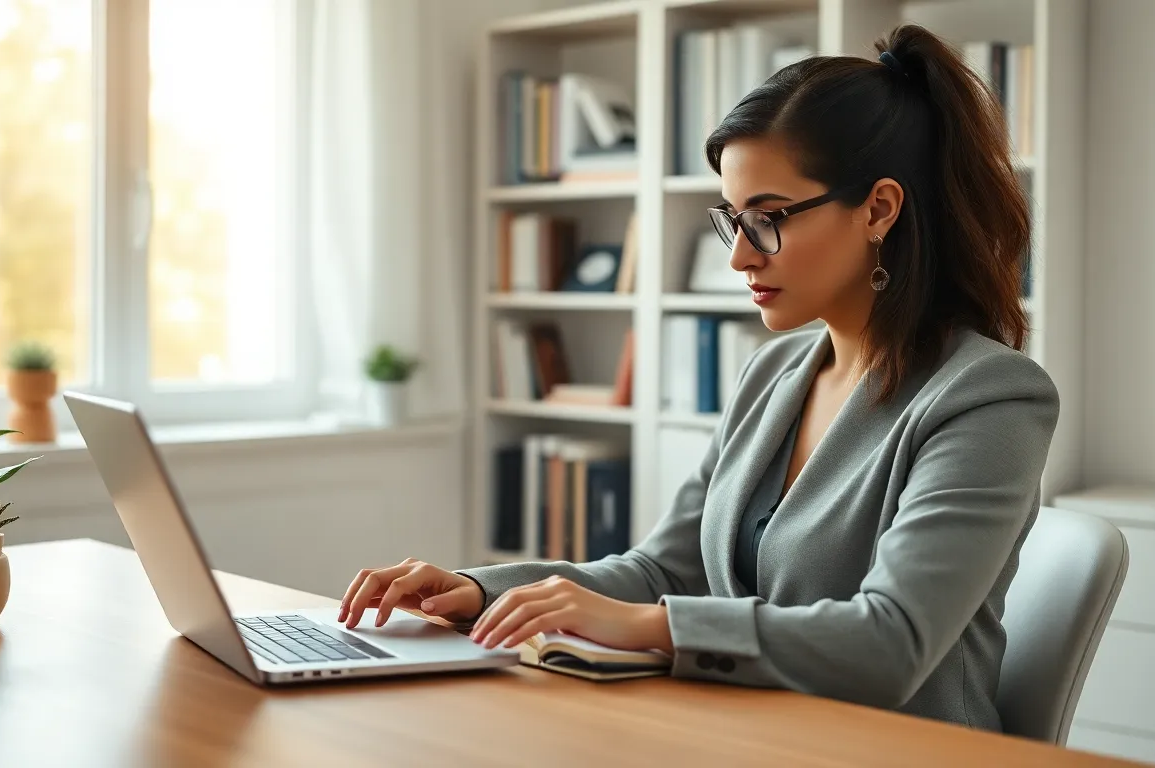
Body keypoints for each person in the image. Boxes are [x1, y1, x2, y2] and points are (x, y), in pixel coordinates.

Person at [338, 23, 1058, 731]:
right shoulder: (773, 373)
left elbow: (891, 643)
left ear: (878, 209)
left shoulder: (988, 397)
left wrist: (647, 627)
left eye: (769, 218)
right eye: (733, 220)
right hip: (749, 734)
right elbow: (663, 571)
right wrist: (474, 589)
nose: (741, 257)